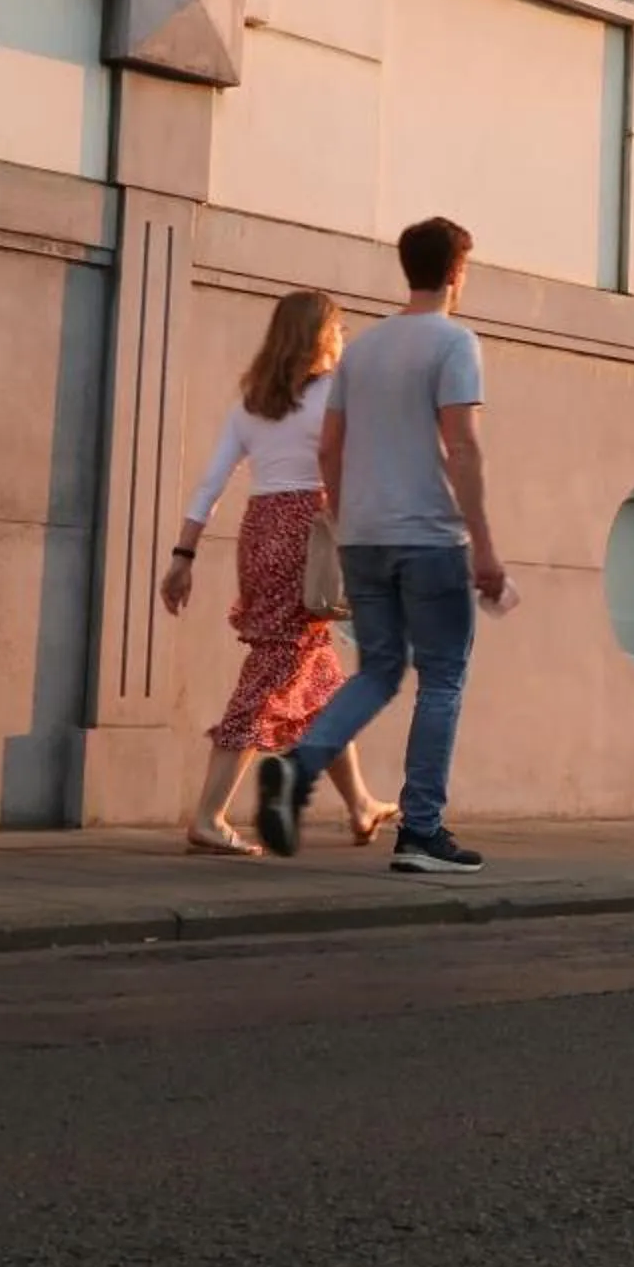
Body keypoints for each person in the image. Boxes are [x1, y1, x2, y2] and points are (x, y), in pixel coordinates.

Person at [256, 216, 507, 873]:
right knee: (443, 677)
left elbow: (331, 447)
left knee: (377, 671)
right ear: (456, 273)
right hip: (427, 537)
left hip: (363, 537)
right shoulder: (454, 343)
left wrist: (347, 521)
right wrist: (483, 544)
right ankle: (421, 831)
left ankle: (299, 765)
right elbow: (463, 446)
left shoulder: (361, 351)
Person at [161, 290, 396, 856]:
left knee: (317, 681)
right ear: (321, 336)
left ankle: (360, 804)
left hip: (260, 531)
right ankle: (209, 816)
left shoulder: (253, 402)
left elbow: (211, 483)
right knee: (269, 676)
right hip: (309, 535)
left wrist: (183, 556)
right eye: (339, 330)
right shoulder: (334, 396)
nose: (343, 340)